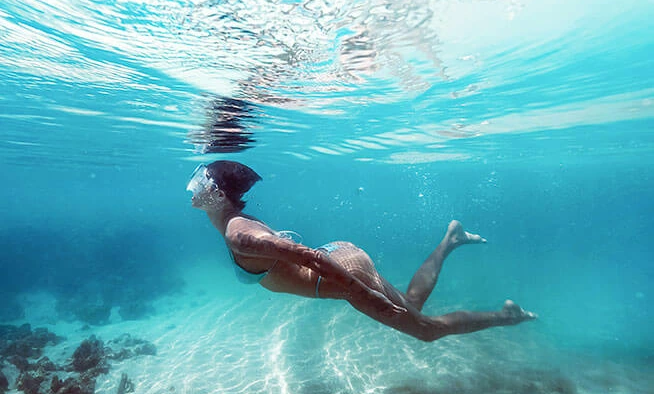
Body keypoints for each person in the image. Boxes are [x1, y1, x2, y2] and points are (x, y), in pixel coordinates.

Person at [187, 160, 537, 342]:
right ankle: (451, 240)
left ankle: (507, 316)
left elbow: (309, 256)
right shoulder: (233, 220)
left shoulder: (239, 235)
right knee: (413, 306)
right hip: (343, 259)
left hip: (342, 272)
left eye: (200, 182)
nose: (192, 188)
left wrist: (360, 293)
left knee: (427, 329)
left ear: (218, 195)